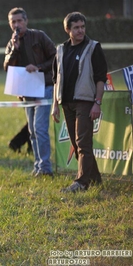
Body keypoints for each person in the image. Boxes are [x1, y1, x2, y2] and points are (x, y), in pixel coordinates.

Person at [52, 12, 107, 193]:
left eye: (82, 27)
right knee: (76, 144)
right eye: (76, 27)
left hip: (85, 102)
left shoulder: (93, 47)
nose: (80, 30)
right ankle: (95, 179)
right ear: (68, 29)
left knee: (83, 142)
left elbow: (100, 79)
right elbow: (55, 80)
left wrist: (97, 102)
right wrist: (55, 105)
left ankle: (82, 183)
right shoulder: (60, 50)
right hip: (66, 103)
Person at [4, 7, 56, 177]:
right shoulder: (12, 43)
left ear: (26, 21)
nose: (17, 24)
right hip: (26, 90)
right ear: (10, 24)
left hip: (44, 85)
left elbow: (56, 57)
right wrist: (15, 49)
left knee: (40, 128)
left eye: (19, 21)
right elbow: (7, 67)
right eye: (13, 22)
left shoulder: (39, 36)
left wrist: (39, 67)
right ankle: (38, 166)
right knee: (32, 131)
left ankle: (46, 168)